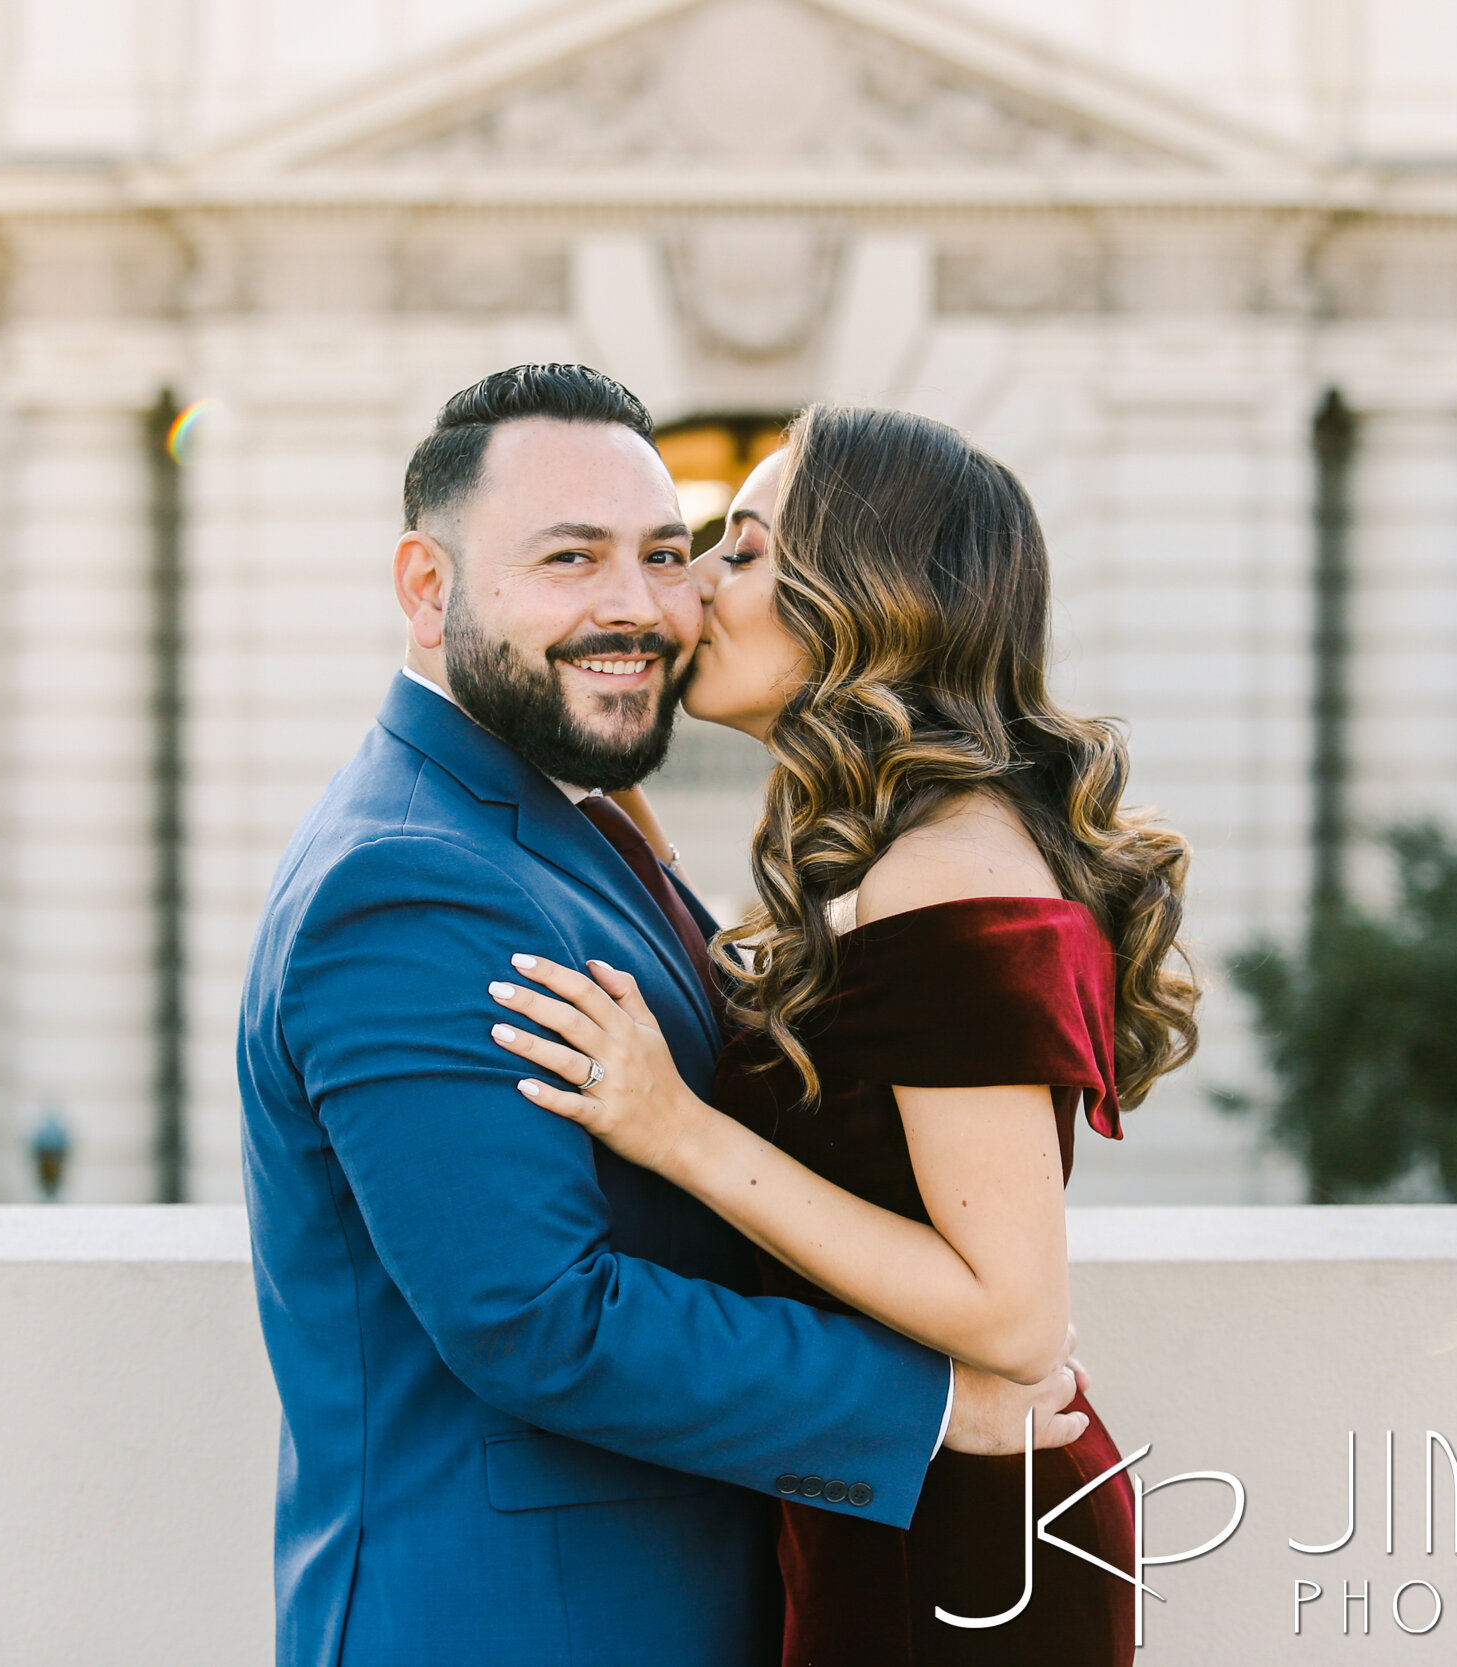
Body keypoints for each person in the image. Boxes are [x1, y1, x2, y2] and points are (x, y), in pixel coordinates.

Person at [235, 366, 1091, 1667]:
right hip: (516, 1621)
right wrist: (926, 1406)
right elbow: (538, 1317)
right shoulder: (406, 881)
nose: (638, 603)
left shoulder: (570, 822)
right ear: (429, 588)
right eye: (571, 558)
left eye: (667, 551)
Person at [488, 405, 1200, 1663]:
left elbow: (1015, 1312)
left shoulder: (948, 872)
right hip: (892, 1508)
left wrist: (679, 1134)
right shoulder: (901, 850)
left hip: (969, 1555)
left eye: (743, 549)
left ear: (864, 600)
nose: (696, 584)